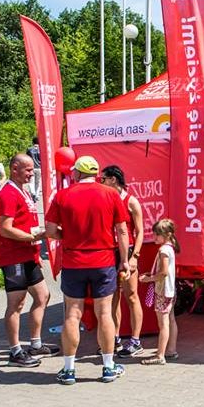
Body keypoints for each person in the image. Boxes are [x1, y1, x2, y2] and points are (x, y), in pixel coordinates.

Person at [45, 156, 130, 385]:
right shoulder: (111, 193)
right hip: (103, 260)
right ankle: (109, 367)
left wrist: (67, 236)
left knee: (73, 314)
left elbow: (50, 230)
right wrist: (124, 261)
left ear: (78, 173)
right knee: (105, 314)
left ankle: (69, 369)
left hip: (74, 261)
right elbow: (122, 231)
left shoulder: (63, 195)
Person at [0, 153, 59, 368]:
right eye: (28, 170)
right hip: (13, 256)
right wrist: (33, 237)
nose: (32, 173)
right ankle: (15, 351)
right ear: (15, 168)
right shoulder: (8, 193)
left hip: (28, 254)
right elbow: (5, 229)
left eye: (33, 169)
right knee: (16, 303)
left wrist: (34, 249)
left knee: (43, 296)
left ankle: (35, 343)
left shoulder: (24, 190)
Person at [100, 165, 145, 357]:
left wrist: (134, 256)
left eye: (103, 179)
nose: (101, 182)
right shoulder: (105, 200)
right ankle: (115, 337)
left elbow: (141, 231)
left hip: (127, 252)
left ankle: (135, 340)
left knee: (132, 295)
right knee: (113, 297)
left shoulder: (131, 201)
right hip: (110, 252)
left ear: (113, 180)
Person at [140, 219, 179, 366]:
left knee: (163, 324)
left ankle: (160, 355)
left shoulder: (163, 250)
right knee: (171, 320)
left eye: (157, 235)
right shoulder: (170, 248)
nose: (154, 237)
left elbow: (163, 273)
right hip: (170, 290)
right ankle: (171, 350)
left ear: (167, 235)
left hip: (163, 291)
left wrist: (148, 279)